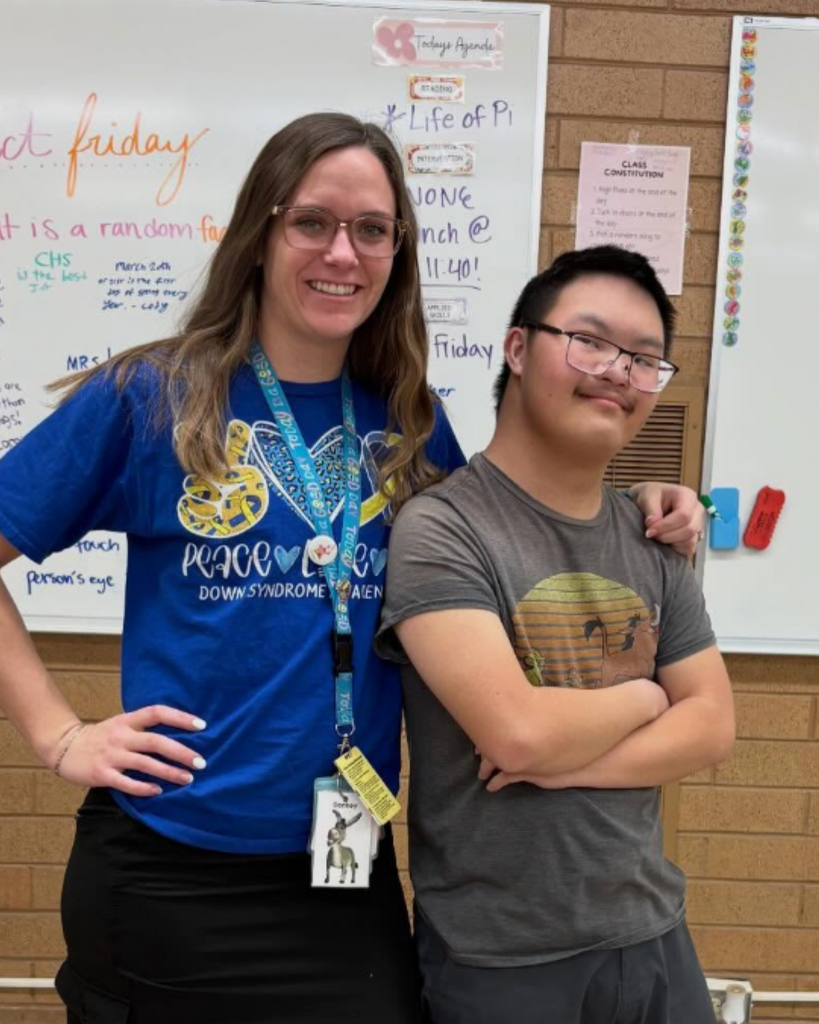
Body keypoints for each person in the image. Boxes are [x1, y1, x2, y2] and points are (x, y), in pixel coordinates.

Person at [0, 110, 704, 1024]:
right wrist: (58, 735)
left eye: (371, 230)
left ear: (395, 254)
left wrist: (638, 500)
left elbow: (519, 516)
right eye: (312, 222)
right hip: (171, 868)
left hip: (345, 866)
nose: (343, 251)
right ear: (261, 233)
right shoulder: (152, 399)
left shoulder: (408, 422)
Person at [375, 246, 734, 1024]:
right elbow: (519, 735)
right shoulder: (442, 527)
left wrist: (564, 769)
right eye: (590, 340)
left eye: (644, 359)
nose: (616, 370)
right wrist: (643, 697)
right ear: (516, 346)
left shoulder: (653, 535)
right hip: (500, 955)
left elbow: (709, 726)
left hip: (651, 932)